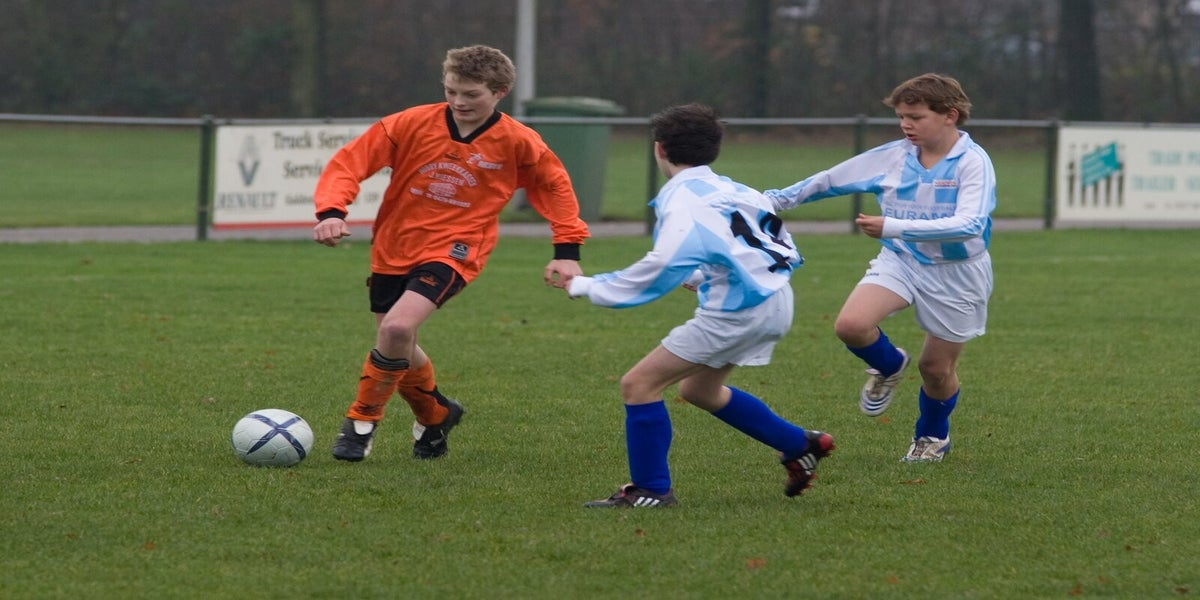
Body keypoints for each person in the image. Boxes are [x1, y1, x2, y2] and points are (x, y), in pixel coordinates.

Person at [312, 45, 590, 461]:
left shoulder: (518, 141)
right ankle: (436, 415)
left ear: (500, 92)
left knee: (396, 330)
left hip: (457, 248)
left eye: (471, 94)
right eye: (451, 91)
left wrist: (567, 249)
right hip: (394, 245)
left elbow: (555, 187)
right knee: (396, 341)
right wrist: (332, 211)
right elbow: (349, 163)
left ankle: (361, 421)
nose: (459, 102)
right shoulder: (409, 123)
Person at [564, 103, 834, 508]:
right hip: (775, 299)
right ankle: (800, 444)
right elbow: (758, 247)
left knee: (639, 385)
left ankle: (652, 490)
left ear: (659, 149)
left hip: (739, 309)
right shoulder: (737, 189)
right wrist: (702, 277)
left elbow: (663, 264)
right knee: (700, 389)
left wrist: (589, 286)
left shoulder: (683, 197)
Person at [765, 73, 996, 463]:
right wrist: (772, 200)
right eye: (901, 116)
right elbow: (830, 181)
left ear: (950, 115)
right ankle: (889, 366)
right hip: (901, 259)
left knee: (936, 369)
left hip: (957, 272)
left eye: (916, 117)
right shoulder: (893, 156)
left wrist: (893, 226)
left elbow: (970, 224)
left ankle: (932, 436)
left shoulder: (972, 162)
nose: (906, 124)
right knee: (851, 325)